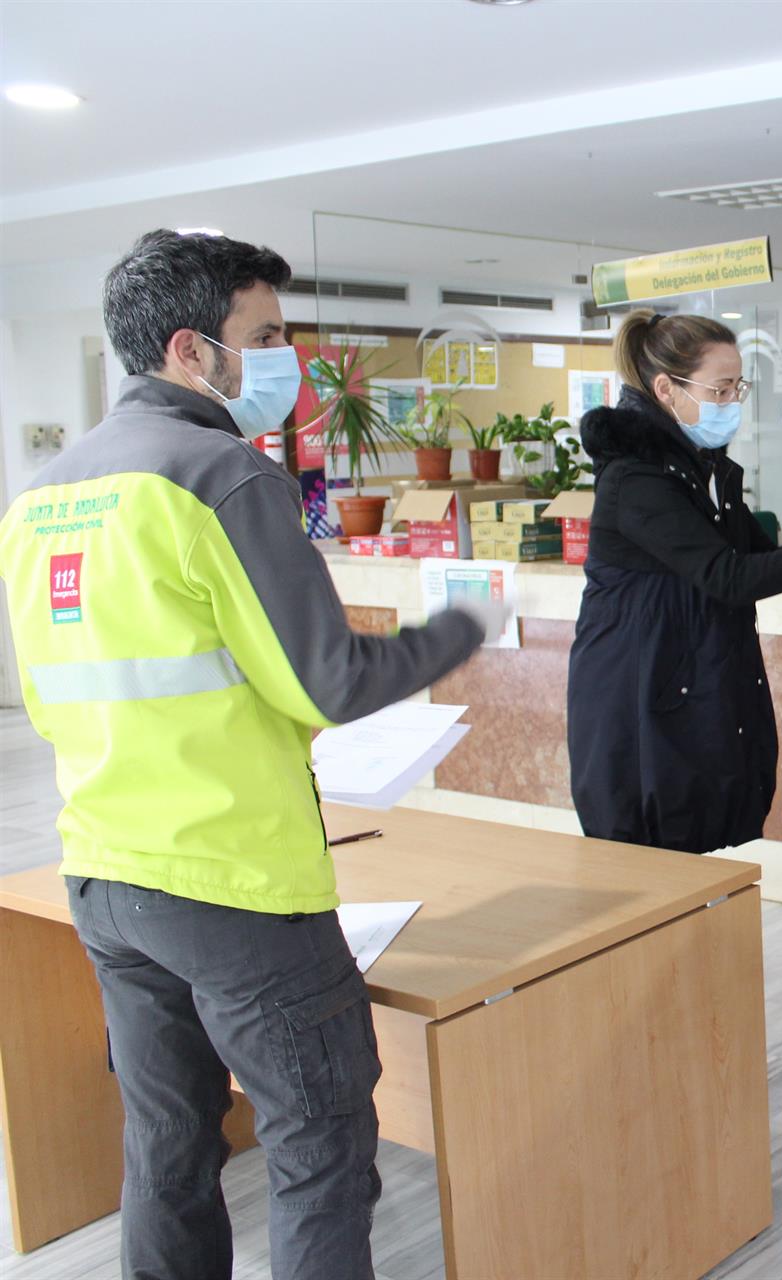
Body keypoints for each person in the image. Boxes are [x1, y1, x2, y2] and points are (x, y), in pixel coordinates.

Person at [0, 229, 503, 1279]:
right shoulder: (219, 474)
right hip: (232, 880)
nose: (288, 358)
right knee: (319, 1142)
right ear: (193, 350)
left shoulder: (43, 495)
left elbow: (56, 699)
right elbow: (330, 682)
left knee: (171, 1140)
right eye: (264, 334)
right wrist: (459, 629)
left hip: (104, 868)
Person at [568, 310, 782, 854]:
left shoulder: (704, 471)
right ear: (666, 389)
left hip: (692, 688)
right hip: (640, 708)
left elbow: (759, 558)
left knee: (707, 863)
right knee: (658, 872)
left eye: (737, 388)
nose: (732, 403)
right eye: (721, 389)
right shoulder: (636, 479)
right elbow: (728, 577)